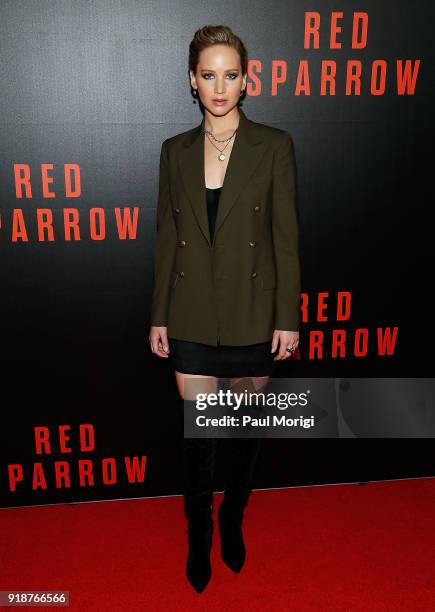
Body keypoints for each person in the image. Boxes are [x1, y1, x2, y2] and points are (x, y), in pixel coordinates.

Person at [149, 24, 300, 593]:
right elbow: (168, 239)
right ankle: (199, 534)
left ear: (245, 80)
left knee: (242, 434)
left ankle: (233, 515)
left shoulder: (274, 146)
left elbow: (286, 238)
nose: (219, 86)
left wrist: (287, 317)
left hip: (252, 314)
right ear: (192, 80)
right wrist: (158, 314)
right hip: (189, 314)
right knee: (199, 440)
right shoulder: (174, 152)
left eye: (230, 75)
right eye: (208, 75)